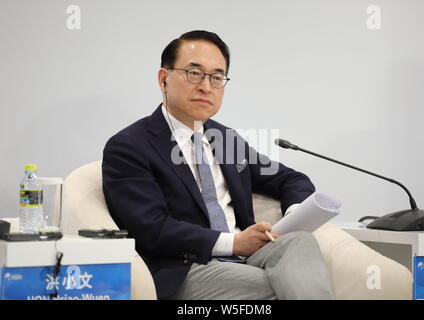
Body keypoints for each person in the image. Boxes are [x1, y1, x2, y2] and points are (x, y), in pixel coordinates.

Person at [102, 30, 333, 300]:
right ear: (163, 79)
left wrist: (293, 218)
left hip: (247, 257)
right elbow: (152, 228)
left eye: (217, 77)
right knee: (289, 284)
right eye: (194, 73)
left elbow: (291, 180)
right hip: (185, 267)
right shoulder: (130, 145)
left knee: (300, 243)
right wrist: (233, 242)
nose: (206, 86)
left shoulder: (225, 139)